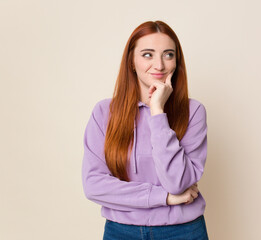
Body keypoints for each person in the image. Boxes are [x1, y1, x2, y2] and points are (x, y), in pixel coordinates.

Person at [82, 20, 209, 240]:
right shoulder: (104, 112)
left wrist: (157, 111)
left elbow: (177, 182)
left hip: (183, 231)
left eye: (168, 54)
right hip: (121, 231)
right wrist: (165, 197)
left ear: (176, 62)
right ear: (131, 61)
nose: (159, 65)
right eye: (148, 54)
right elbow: (94, 185)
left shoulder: (193, 111)